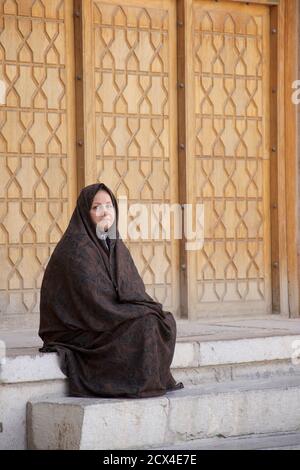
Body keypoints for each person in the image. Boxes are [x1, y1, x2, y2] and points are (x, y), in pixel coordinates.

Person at [38, 182, 184, 398]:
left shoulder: (113, 241)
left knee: (162, 320)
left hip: (105, 315)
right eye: (96, 207)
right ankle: (133, 384)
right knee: (143, 325)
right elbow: (92, 301)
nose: (104, 211)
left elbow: (132, 287)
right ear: (85, 213)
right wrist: (133, 314)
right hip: (80, 326)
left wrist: (144, 309)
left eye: (109, 205)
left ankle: (147, 382)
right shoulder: (76, 247)